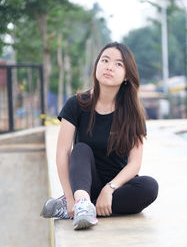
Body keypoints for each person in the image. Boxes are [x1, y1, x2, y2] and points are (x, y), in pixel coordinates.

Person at [40, 42, 159, 230]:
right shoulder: (76, 104)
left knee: (149, 187)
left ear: (127, 75)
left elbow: (135, 163)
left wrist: (109, 189)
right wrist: (70, 197)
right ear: (97, 66)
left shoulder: (133, 112)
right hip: (83, 183)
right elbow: (63, 153)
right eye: (105, 60)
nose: (109, 66)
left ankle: (85, 208)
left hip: (117, 187)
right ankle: (80, 203)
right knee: (80, 149)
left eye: (118, 64)